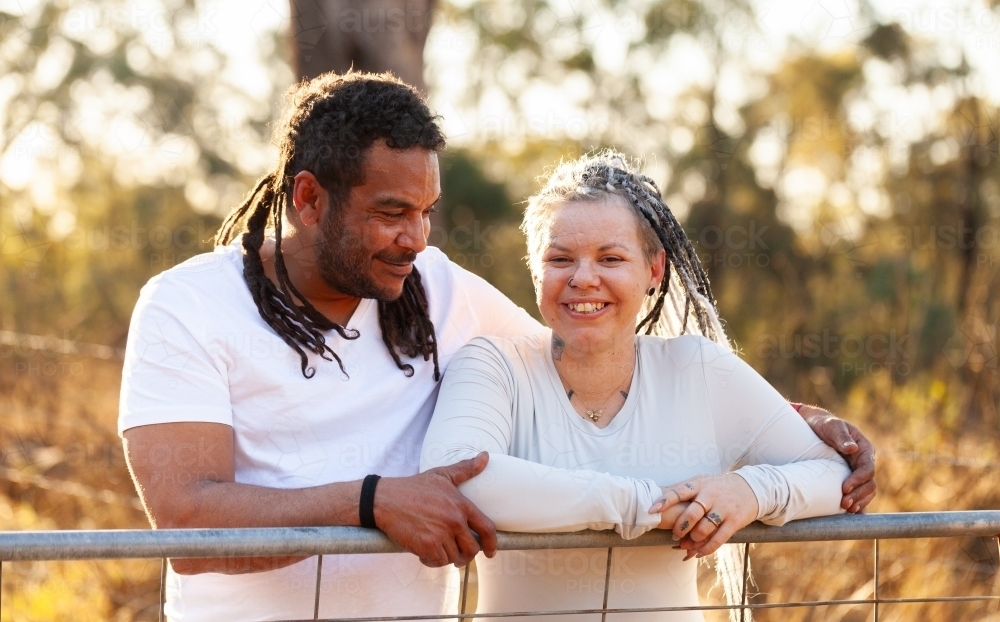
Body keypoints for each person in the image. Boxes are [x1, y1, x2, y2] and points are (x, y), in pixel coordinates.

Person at [118, 71, 874, 621]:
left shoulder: (435, 288)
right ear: (310, 198)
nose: (415, 237)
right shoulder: (187, 306)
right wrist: (375, 501)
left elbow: (584, 353)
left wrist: (792, 423)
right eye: (390, 212)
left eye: (425, 211)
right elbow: (190, 525)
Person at [420, 151, 856, 621]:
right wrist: (647, 507)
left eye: (611, 258)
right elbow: (458, 479)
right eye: (560, 258)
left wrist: (749, 491)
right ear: (535, 270)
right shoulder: (492, 365)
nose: (584, 279)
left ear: (654, 270)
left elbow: (835, 474)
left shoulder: (697, 368)